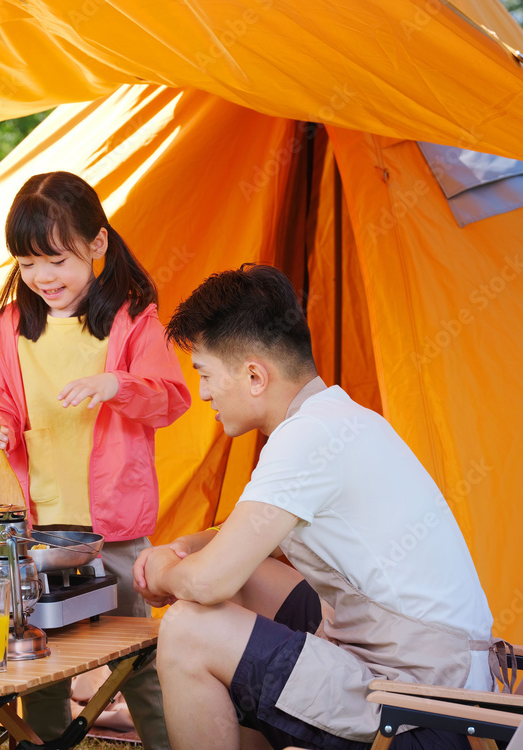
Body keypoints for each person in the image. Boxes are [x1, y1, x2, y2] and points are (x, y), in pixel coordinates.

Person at [134, 264, 495, 750]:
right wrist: (187, 546)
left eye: (205, 374)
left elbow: (207, 581)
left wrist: (162, 573)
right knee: (250, 580)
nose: (203, 394)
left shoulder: (306, 439)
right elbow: (247, 538)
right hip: (440, 668)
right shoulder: (338, 417)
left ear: (255, 375)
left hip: (427, 711)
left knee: (186, 628)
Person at [0, 171, 191, 750]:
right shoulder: (7, 330)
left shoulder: (134, 321)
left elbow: (169, 399)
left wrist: (116, 384)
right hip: (35, 527)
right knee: (38, 656)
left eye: (57, 260)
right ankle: (38, 741)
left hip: (111, 532)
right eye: (26, 263)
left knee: (136, 657)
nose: (42, 277)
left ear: (98, 245)